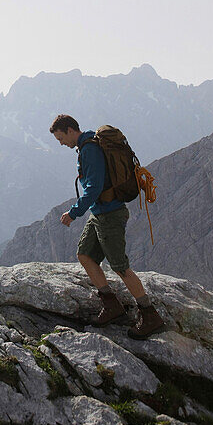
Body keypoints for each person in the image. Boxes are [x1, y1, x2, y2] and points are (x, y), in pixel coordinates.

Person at [49, 113, 165, 338]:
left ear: (70, 130)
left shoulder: (89, 149)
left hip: (110, 214)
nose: (61, 143)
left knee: (120, 266)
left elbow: (93, 188)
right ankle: (112, 305)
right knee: (85, 255)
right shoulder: (87, 145)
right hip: (100, 213)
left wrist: (73, 213)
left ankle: (150, 314)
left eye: (60, 138)